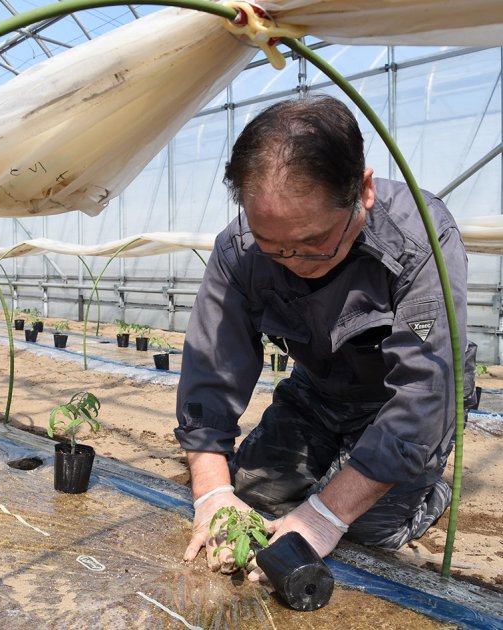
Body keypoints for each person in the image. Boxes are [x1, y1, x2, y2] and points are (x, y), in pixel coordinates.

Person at [175, 95, 475, 575]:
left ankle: (427, 493)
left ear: (364, 190)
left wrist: (325, 515)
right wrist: (212, 492)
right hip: (317, 391)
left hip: (399, 405)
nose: (295, 261)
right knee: (251, 496)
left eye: (315, 243)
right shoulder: (238, 248)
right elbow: (211, 369)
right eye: (274, 247)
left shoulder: (421, 239)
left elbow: (424, 394)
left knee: (364, 529)